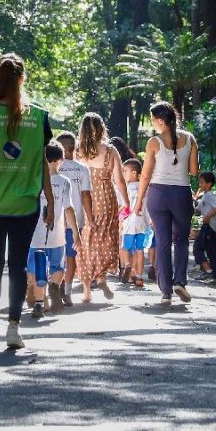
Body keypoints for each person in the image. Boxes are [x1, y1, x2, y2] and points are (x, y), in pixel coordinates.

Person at [0, 53, 55, 350]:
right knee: (17, 265)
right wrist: (50, 200)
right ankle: (14, 327)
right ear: (22, 79)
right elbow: (42, 161)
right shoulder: (39, 117)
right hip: (26, 204)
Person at [133, 101, 200, 305]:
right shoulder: (190, 139)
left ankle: (166, 292)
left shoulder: (154, 142)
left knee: (162, 242)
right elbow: (194, 172)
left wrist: (138, 204)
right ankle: (179, 281)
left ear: (161, 121)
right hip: (181, 194)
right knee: (180, 240)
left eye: (153, 120)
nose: (152, 124)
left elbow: (145, 176)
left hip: (158, 194)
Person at [74, 112, 131, 305]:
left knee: (86, 241)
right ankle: (102, 278)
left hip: (84, 198)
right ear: (101, 129)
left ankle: (87, 291)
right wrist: (127, 201)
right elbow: (120, 180)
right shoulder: (110, 150)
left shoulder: (77, 152)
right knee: (106, 237)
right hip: (106, 197)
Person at [29, 141, 76, 318]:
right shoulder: (64, 182)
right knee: (59, 268)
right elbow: (69, 209)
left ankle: (40, 303)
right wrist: (76, 234)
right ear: (61, 160)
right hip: (57, 235)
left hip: (35, 236)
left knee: (36, 270)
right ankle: (53, 287)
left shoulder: (33, 181)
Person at [54, 132, 92, 307]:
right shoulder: (82, 168)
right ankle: (67, 293)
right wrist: (90, 218)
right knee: (71, 258)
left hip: (54, 221)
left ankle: (54, 285)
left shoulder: (52, 167)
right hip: (75, 221)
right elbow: (86, 196)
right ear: (74, 148)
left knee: (54, 256)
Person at [119, 157, 147, 289]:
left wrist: (119, 218)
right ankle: (140, 277)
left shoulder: (127, 188)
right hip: (141, 224)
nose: (123, 174)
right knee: (139, 249)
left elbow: (125, 207)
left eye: (125, 171)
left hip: (129, 223)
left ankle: (128, 267)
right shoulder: (144, 188)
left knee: (125, 247)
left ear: (134, 173)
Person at [193, 170, 216, 285]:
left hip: (210, 226)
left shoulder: (210, 195)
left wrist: (207, 216)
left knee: (198, 248)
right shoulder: (205, 196)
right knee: (212, 252)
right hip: (209, 226)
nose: (200, 185)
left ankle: (209, 271)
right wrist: (194, 200)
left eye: (201, 183)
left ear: (209, 183)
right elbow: (197, 211)